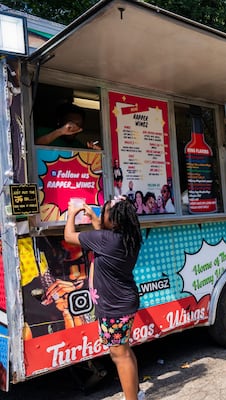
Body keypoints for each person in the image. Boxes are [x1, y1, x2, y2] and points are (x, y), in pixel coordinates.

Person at [64, 198, 144, 400]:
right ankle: (136, 393)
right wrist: (94, 219)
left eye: (105, 211)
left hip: (114, 306)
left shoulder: (105, 239)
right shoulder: (129, 235)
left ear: (115, 221)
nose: (102, 214)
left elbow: (69, 236)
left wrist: (72, 212)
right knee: (124, 350)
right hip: (124, 302)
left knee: (119, 355)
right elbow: (102, 233)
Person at [35, 103, 101, 150]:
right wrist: (60, 132)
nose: (74, 127)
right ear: (59, 121)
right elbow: (31, 147)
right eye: (70, 123)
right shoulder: (41, 132)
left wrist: (91, 152)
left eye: (78, 124)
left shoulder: (77, 145)